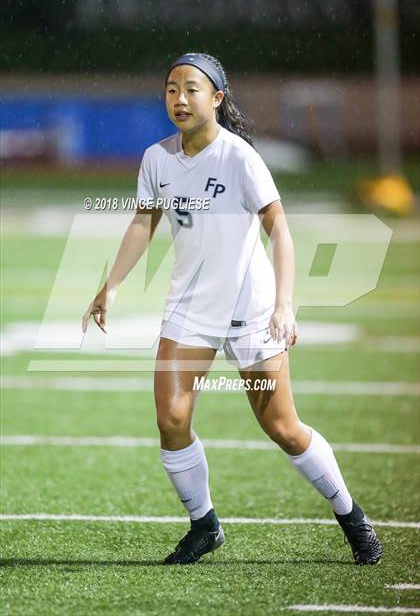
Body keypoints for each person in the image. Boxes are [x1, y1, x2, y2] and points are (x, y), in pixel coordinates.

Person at [82, 52, 383, 567]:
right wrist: (109, 284)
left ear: (217, 99)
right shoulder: (157, 158)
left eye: (191, 89)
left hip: (249, 308)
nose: (179, 98)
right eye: (171, 88)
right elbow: (143, 222)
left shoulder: (240, 157)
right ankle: (205, 526)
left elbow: (280, 229)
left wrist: (285, 306)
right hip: (190, 305)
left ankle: (352, 516)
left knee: (283, 428)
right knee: (171, 418)